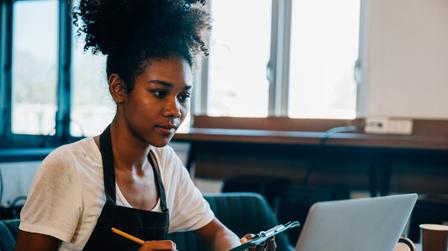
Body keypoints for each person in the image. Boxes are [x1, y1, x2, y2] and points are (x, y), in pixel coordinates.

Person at [14, 0, 276, 250]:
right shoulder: (68, 167)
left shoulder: (165, 164)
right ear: (119, 89)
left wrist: (238, 248)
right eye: (159, 93)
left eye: (183, 96)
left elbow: (217, 232)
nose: (175, 110)